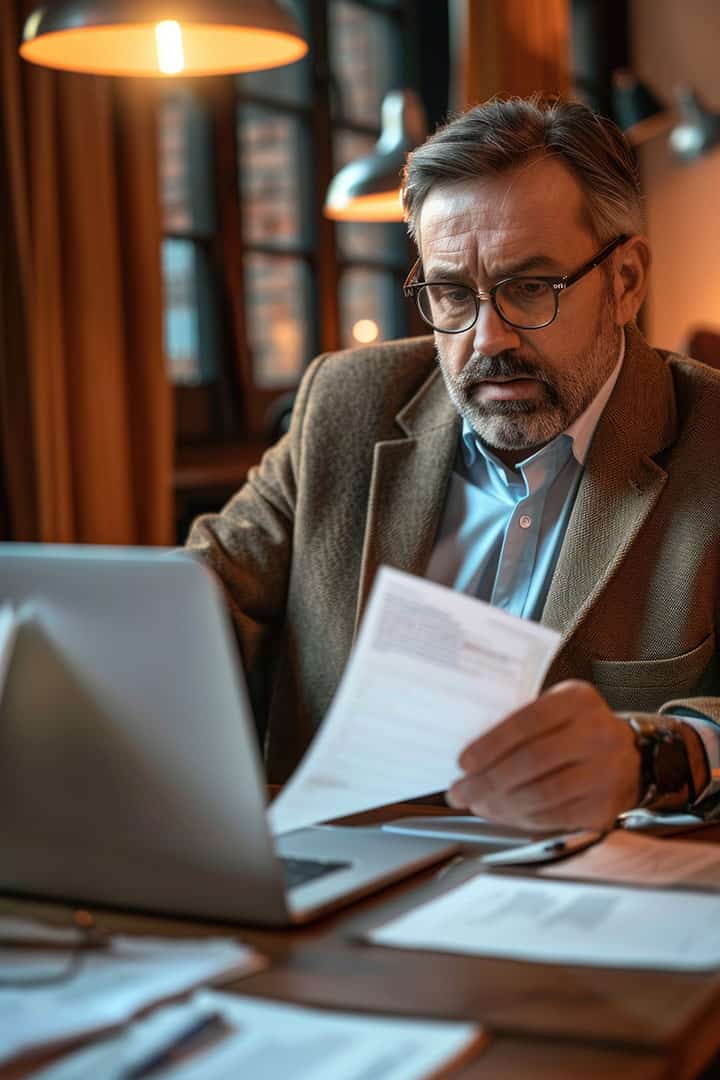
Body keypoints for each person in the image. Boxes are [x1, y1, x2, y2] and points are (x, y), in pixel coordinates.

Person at [187, 95, 720, 831]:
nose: (486, 337)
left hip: (592, 897)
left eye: (530, 287)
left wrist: (659, 753)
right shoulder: (345, 406)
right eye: (450, 294)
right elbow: (202, 593)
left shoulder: (709, 443)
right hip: (338, 883)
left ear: (626, 281)